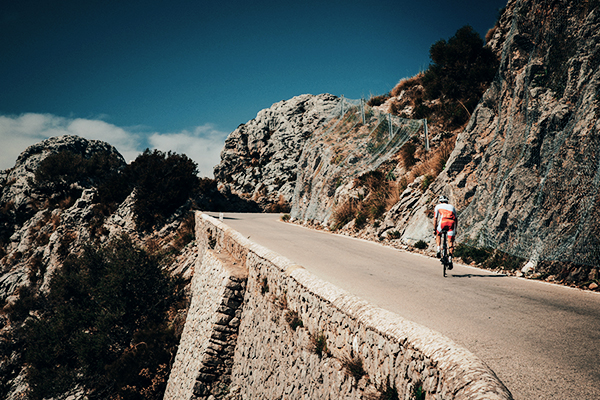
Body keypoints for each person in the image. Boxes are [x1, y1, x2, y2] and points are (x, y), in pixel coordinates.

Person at [433, 195, 457, 268]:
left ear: (440, 201)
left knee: (438, 234)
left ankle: (438, 250)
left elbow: (435, 219)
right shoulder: (452, 207)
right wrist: (455, 229)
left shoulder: (438, 206)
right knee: (450, 242)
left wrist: (434, 229)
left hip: (443, 222)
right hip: (451, 223)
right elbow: (456, 219)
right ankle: (450, 259)